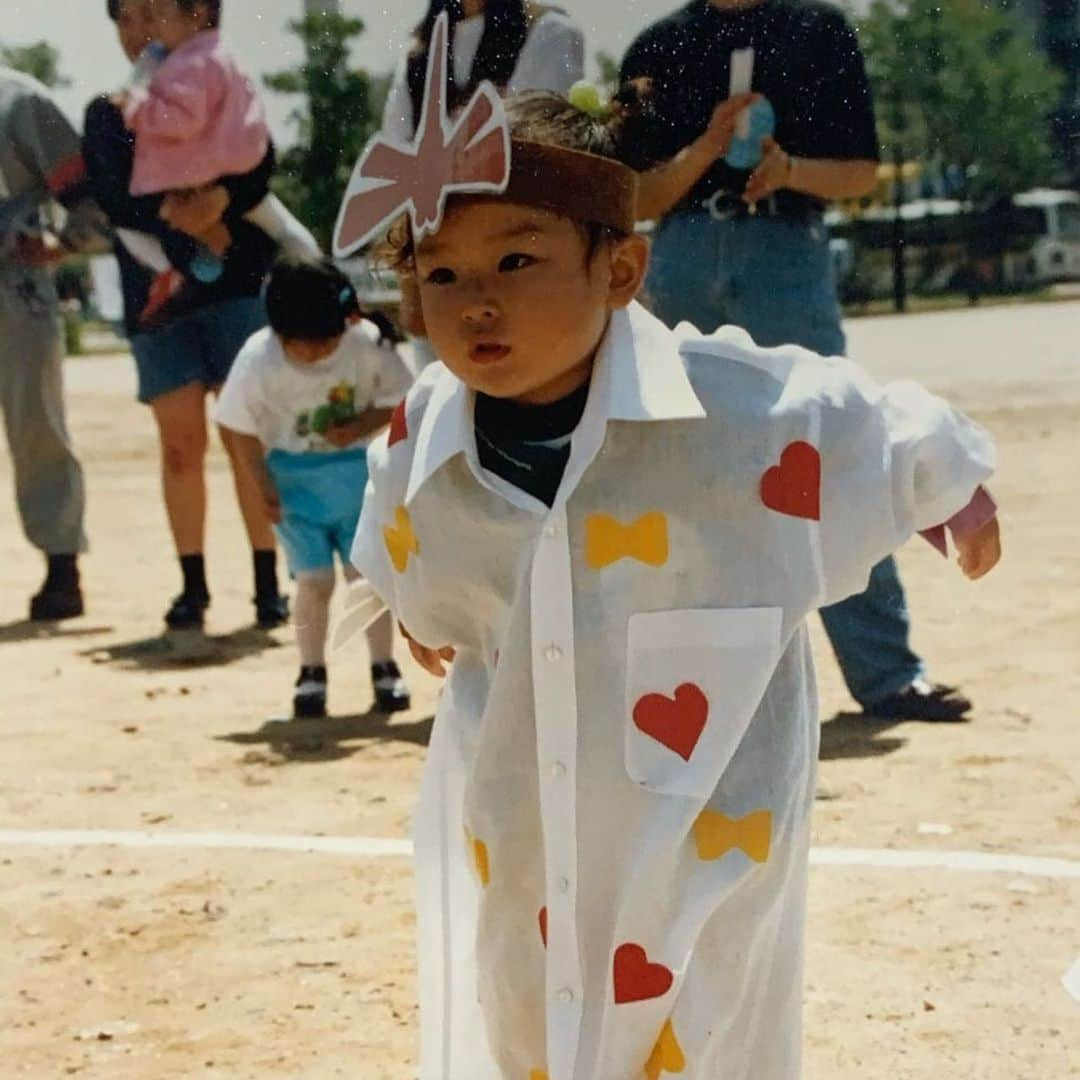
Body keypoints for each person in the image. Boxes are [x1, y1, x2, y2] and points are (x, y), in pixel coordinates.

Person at [340, 69, 1001, 1076]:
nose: (478, 304)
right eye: (441, 276)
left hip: (705, 834)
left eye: (518, 259)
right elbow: (395, 544)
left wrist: (952, 488)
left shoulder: (733, 414)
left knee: (706, 1029)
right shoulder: (421, 438)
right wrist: (414, 609)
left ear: (623, 268)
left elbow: (864, 418)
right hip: (523, 824)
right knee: (526, 1019)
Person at [620, 0, 974, 722]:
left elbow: (861, 173)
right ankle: (693, 677)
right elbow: (633, 194)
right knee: (680, 460)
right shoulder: (658, 47)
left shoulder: (817, 30)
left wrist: (788, 169)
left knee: (832, 447)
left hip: (785, 248)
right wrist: (706, 147)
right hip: (681, 251)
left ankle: (887, 674)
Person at [85, 0, 292, 633]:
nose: (138, 32)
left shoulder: (221, 79)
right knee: (180, 446)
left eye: (150, 13)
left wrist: (221, 206)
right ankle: (192, 586)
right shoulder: (109, 111)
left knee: (245, 438)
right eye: (123, 19)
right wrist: (195, 231)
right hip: (157, 294)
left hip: (236, 285)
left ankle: (266, 584)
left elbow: (260, 163)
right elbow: (119, 202)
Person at [215, 258, 413, 718]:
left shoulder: (365, 343)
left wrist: (365, 421)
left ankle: (384, 667)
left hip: (359, 481)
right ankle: (311, 671)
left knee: (366, 580)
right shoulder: (258, 357)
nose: (318, 354)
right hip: (293, 484)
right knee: (314, 580)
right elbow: (238, 427)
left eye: (327, 342)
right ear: (279, 333)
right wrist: (260, 485)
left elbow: (406, 398)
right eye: (304, 346)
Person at [114, 0, 317, 325]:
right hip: (235, 169)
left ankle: (167, 272)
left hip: (200, 172)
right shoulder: (217, 55)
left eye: (161, 15)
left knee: (130, 233)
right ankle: (323, 279)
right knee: (284, 230)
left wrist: (137, 107)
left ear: (197, 14)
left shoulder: (191, 63)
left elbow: (182, 119)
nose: (154, 27)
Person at [0, 67, 108, 620]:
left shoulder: (20, 101)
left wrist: (66, 243)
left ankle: (62, 566)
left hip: (13, 289)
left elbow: (90, 192)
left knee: (36, 421)